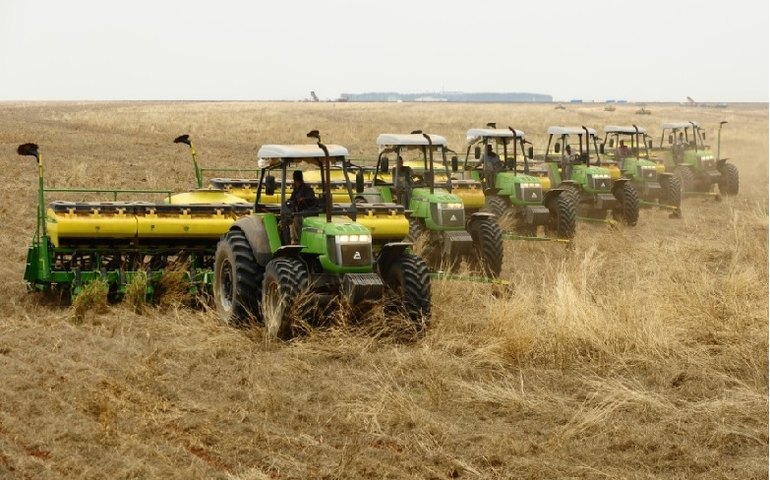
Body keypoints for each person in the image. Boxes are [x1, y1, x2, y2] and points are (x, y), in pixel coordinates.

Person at [286, 170, 316, 243]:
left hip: (306, 213)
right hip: (298, 212)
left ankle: (295, 242)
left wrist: (303, 200)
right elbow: (292, 200)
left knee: (295, 220)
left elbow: (312, 201)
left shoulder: (307, 189)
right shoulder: (296, 190)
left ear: (294, 179)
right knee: (284, 220)